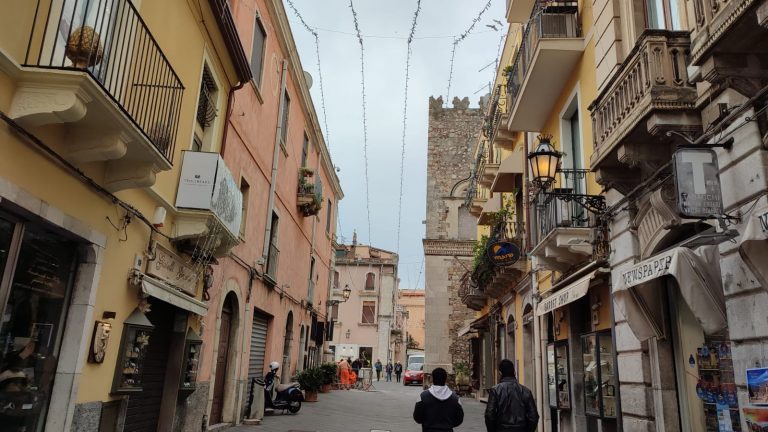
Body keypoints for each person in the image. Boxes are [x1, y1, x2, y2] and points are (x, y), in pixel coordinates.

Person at [484, 359, 539, 432]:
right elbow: (534, 416)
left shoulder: (495, 390)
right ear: (514, 372)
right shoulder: (526, 391)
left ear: (500, 373)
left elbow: (489, 415)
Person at [413, 367, 464, 432]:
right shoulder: (455, 398)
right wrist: (448, 425)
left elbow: (417, 418)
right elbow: (459, 419)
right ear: (445, 379)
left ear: (432, 379)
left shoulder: (423, 397)